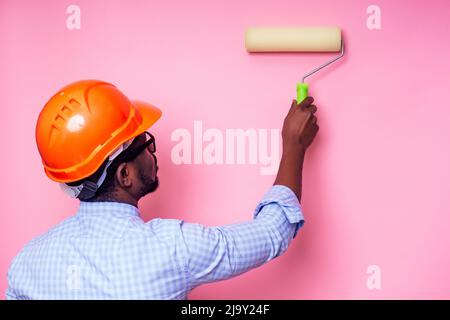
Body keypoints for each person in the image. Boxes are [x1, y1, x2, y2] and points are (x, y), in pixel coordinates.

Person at [6, 79, 318, 299]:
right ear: (125, 174)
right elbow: (274, 232)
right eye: (146, 143)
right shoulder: (172, 248)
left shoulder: (27, 263)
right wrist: (294, 145)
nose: (153, 152)